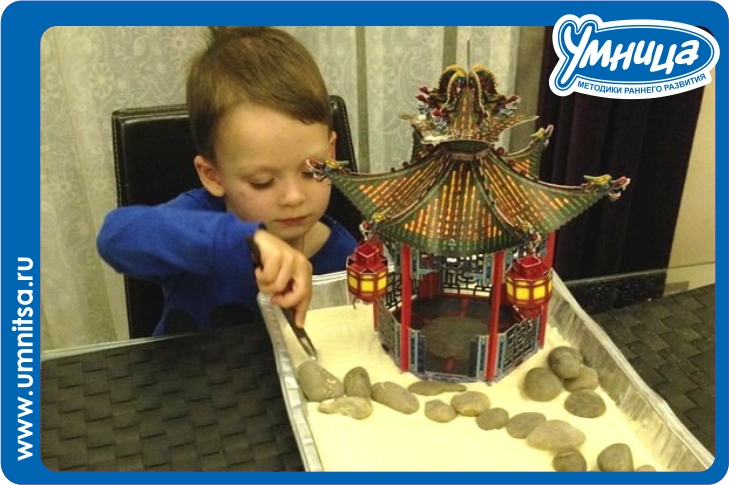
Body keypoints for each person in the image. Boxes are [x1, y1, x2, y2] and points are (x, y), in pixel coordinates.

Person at [97, 27, 357, 335]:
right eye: (262, 181)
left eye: (313, 170)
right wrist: (240, 242)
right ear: (213, 175)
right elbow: (116, 237)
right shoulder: (196, 222)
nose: (293, 196)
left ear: (331, 152)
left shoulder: (347, 256)